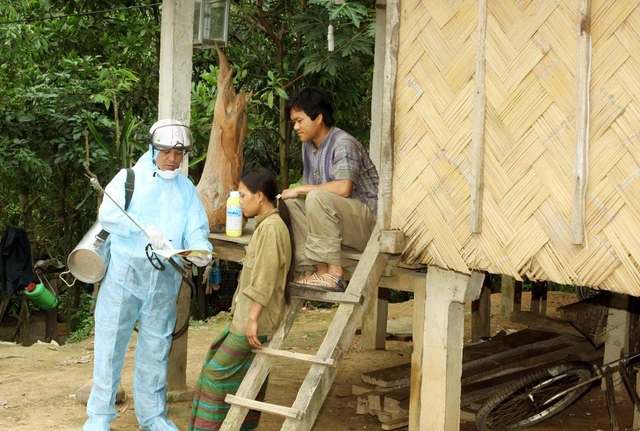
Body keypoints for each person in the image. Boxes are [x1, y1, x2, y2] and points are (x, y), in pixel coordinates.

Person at [84, 119, 213, 431]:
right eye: (167, 151)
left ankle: (153, 416)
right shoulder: (129, 179)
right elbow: (109, 214)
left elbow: (197, 229)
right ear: (153, 148)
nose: (173, 158)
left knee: (156, 350)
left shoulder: (186, 189)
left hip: (164, 283)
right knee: (110, 345)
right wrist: (141, 229)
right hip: (124, 278)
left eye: (179, 152)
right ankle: (99, 416)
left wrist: (200, 251)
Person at [189, 167, 294, 431]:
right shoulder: (266, 226)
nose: (240, 201)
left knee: (215, 374)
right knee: (236, 372)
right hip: (247, 318)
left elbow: (265, 281)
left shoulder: (272, 229)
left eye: (244, 195)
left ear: (260, 197)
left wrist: (252, 320)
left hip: (255, 320)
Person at [281, 87, 378, 292]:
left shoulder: (343, 143)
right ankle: (318, 270)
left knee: (315, 197)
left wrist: (302, 189)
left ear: (318, 118)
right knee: (290, 204)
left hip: (369, 224)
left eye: (299, 120)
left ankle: (335, 274)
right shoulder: (307, 146)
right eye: (293, 122)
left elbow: (344, 188)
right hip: (338, 223)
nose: (296, 127)